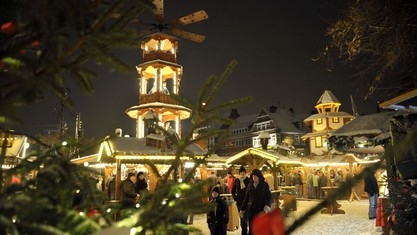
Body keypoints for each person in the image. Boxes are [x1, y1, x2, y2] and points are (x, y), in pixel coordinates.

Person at [240, 169, 272, 235]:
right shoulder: (250, 185)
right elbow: (246, 198)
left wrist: (267, 206)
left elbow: (269, 197)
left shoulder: (264, 185)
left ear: (259, 177)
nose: (254, 178)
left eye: (256, 176)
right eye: (253, 176)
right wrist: (242, 208)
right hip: (251, 210)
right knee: (252, 228)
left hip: (261, 210)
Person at [232, 166, 250, 235]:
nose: (242, 173)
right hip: (239, 202)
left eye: (243, 172)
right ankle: (244, 232)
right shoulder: (237, 180)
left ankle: (245, 232)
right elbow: (233, 190)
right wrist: (235, 197)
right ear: (239, 173)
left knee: (245, 218)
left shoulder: (248, 180)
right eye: (241, 172)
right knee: (242, 218)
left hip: (247, 202)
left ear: (245, 173)